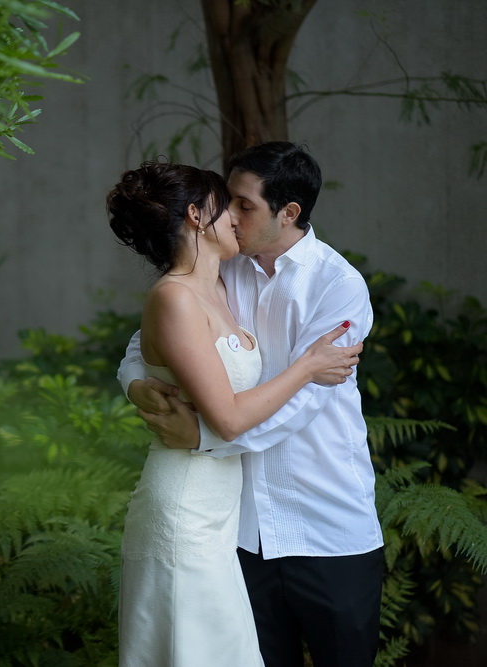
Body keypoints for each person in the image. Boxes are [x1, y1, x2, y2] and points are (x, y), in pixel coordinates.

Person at [117, 142, 384, 667]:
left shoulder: (338, 286)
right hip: (238, 528)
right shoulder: (220, 268)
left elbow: (306, 399)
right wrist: (134, 382)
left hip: (324, 522)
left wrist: (207, 437)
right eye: (228, 203)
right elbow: (145, 340)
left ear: (289, 213)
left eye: (244, 205)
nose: (232, 218)